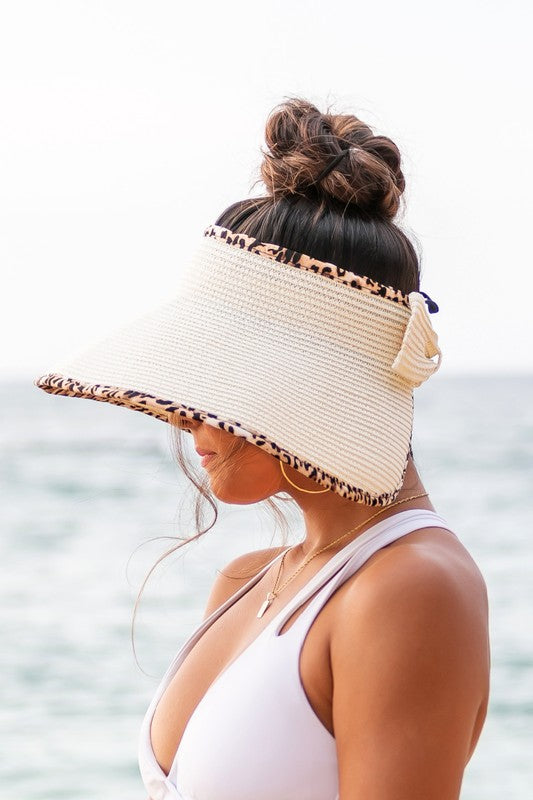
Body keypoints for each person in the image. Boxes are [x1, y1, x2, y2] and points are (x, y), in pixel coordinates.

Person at [35, 96, 490, 800]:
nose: (186, 417)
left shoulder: (406, 589)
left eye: (213, 378)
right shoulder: (247, 581)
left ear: (303, 378)